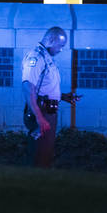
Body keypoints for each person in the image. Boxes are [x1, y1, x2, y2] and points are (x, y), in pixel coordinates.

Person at [21, 26, 78, 168]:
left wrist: (63, 96)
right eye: (61, 45)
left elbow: (45, 86)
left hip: (48, 110)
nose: (61, 49)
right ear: (52, 40)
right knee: (39, 152)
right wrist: (39, 118)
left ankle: (41, 182)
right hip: (40, 111)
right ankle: (32, 183)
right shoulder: (36, 57)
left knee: (46, 151)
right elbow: (28, 88)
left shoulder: (47, 57)